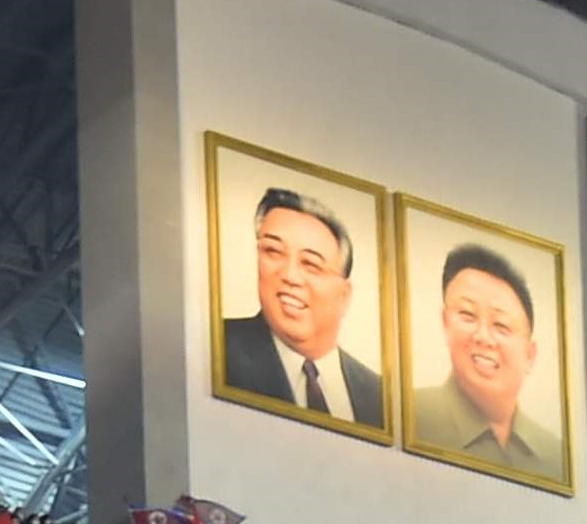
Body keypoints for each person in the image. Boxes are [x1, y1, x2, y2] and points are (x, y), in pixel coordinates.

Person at [222, 184, 386, 430]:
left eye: (310, 264)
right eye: (273, 252)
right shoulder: (215, 347)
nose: (290, 276)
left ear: (344, 295)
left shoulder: (381, 396)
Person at [417, 241, 563, 483]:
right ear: (445, 323)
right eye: (467, 315)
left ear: (530, 355)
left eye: (501, 326)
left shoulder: (555, 456)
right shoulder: (412, 414)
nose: (483, 337)